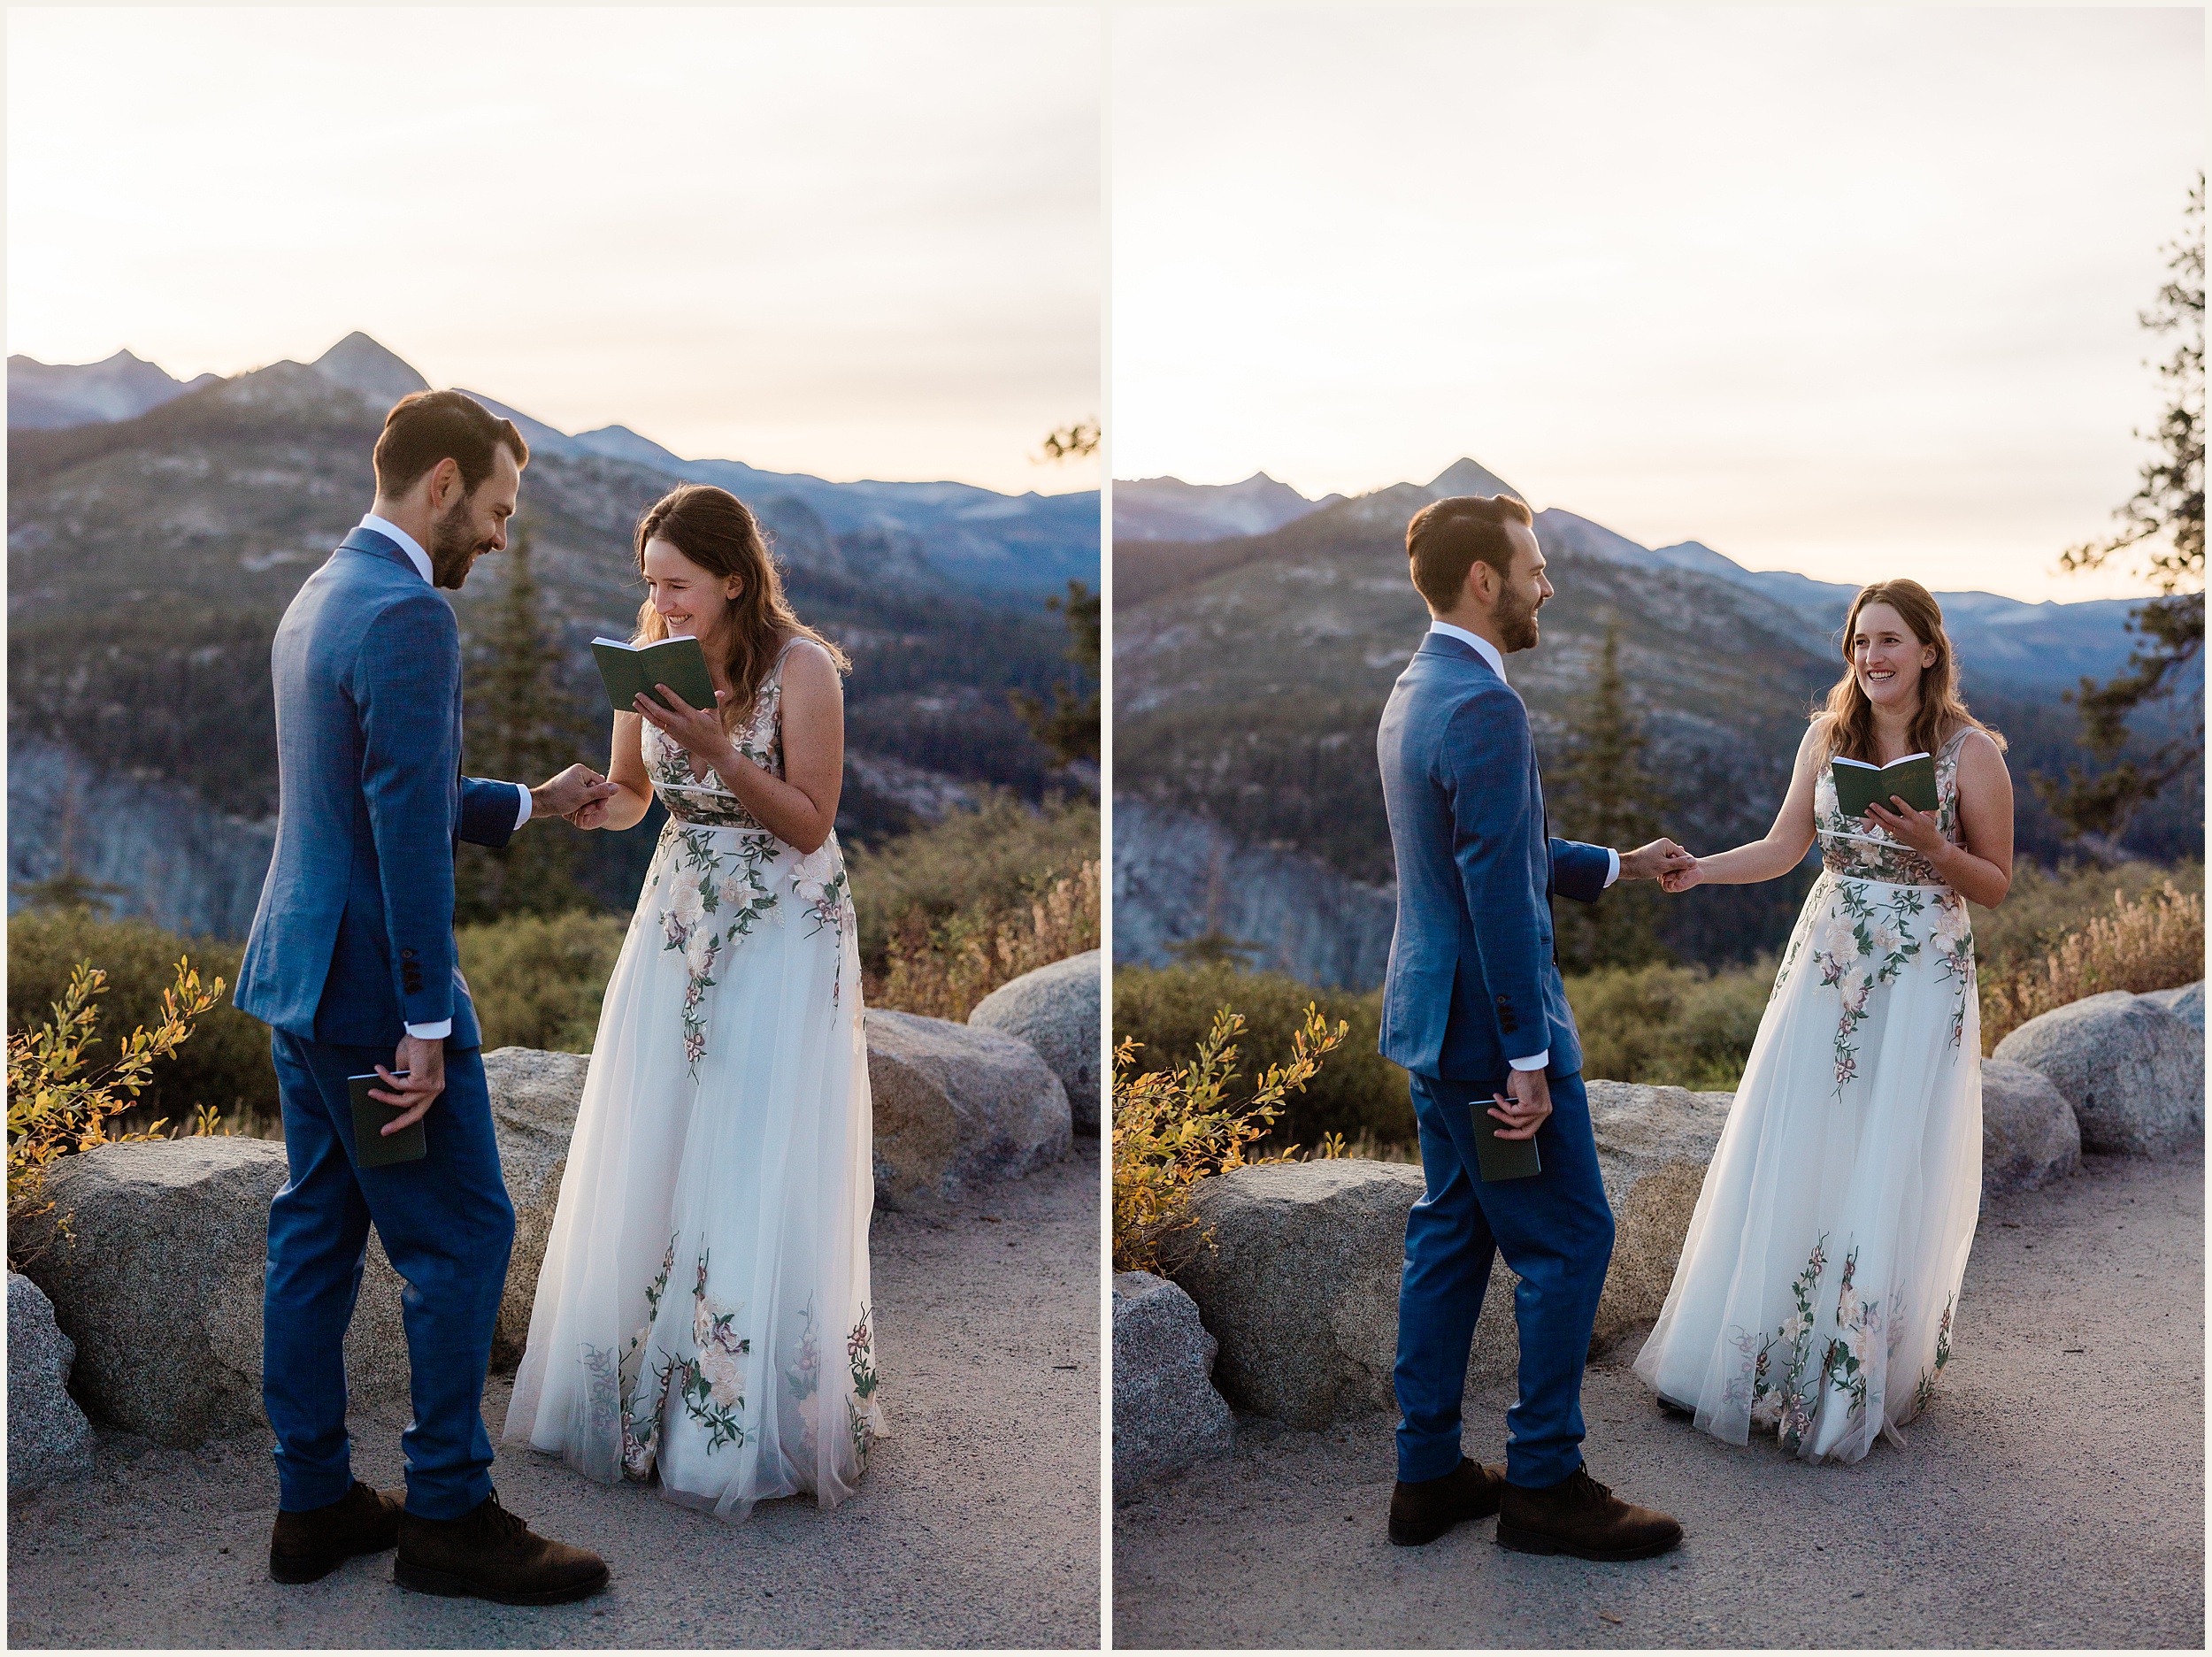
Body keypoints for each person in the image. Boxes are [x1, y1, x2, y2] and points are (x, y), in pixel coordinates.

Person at [235, 389, 618, 1602]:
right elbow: (401, 837)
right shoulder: (409, 616)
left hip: (298, 970)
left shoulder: (321, 591)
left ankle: (313, 1506)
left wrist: (529, 800)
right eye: (499, 508)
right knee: (460, 1238)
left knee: (315, 1232)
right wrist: (425, 1023)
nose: (501, 537)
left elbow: (377, 792)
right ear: (444, 484)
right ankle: (447, 1512)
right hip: (367, 991)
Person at [503, 482, 886, 1520]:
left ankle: (751, 1405)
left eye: (677, 584)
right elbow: (639, 793)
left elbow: (812, 822)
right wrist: (598, 799)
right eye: (650, 585)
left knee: (752, 1137)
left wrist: (721, 749)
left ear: (731, 576)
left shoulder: (800, 670)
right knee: (663, 1125)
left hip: (783, 924)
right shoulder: (650, 659)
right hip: (679, 911)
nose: (662, 603)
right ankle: (640, 1387)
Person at [1375, 493, 1691, 1560]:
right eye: (1534, 566)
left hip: (1431, 1023)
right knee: (1567, 1240)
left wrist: (1617, 864)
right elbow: (1499, 903)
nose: (1544, 584)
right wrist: (1528, 1060)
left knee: (1455, 1235)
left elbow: (1495, 849)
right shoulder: (1484, 707)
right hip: (1485, 1044)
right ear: (1484, 580)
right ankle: (1544, 1481)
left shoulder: (1416, 687)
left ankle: (1426, 1476)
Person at [1635, 579, 2014, 1462]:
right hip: (1830, 963)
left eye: (1888, 641)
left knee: (1885, 1152)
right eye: (1858, 643)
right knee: (1801, 1138)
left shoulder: (1972, 753)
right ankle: (1739, 1359)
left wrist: (1933, 846)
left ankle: (1846, 1374)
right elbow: (1781, 848)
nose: (1871, 658)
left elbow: (1993, 882)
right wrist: (1700, 869)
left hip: (1921, 972)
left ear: (1927, 649)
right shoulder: (1826, 736)